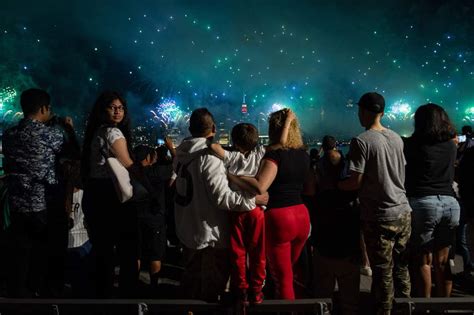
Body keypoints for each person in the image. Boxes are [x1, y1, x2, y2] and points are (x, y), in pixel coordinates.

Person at [173, 108, 259, 302]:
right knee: (209, 296)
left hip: (187, 231)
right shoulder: (209, 157)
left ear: (189, 128)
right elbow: (221, 197)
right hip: (209, 237)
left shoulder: (180, 154)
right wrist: (252, 200)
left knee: (190, 289)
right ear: (213, 128)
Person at [339, 92, 411, 315]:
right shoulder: (397, 137)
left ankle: (385, 310)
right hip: (403, 211)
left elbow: (355, 181)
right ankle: (406, 307)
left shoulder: (362, 141)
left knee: (382, 271)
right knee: (402, 267)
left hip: (380, 215)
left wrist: (338, 186)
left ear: (363, 111)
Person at [229, 108, 314, 300]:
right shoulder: (304, 155)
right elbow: (310, 189)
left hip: (280, 218)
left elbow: (261, 186)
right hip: (301, 215)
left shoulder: (274, 156)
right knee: (289, 272)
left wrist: (233, 176)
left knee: (282, 278)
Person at [2, 88, 70, 297]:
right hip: (44, 203)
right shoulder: (52, 134)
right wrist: (65, 127)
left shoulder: (9, 134)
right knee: (43, 253)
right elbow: (70, 152)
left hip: (16, 203)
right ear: (44, 108)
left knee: (19, 253)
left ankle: (17, 296)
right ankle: (40, 295)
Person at [81, 91, 142, 297]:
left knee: (102, 248)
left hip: (96, 193)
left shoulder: (96, 131)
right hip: (113, 195)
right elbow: (129, 164)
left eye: (121, 107)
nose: (118, 111)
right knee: (127, 248)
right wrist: (148, 184)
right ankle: (127, 293)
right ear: (102, 110)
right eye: (112, 107)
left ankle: (101, 292)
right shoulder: (113, 133)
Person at [404, 104, 460, 297]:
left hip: (424, 203)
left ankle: (424, 306)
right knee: (443, 262)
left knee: (423, 261)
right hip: (451, 204)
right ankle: (443, 307)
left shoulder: (411, 145)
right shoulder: (451, 146)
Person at [312, 135, 360, 315]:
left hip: (324, 250)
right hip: (348, 251)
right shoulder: (352, 197)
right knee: (351, 301)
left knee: (323, 298)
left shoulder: (318, 198)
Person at [132, 145, 166, 292]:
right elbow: (177, 166)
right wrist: (171, 148)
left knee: (136, 253)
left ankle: (134, 283)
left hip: (135, 216)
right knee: (155, 255)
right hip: (154, 219)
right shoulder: (157, 172)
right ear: (147, 157)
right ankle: (154, 286)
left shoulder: (130, 173)